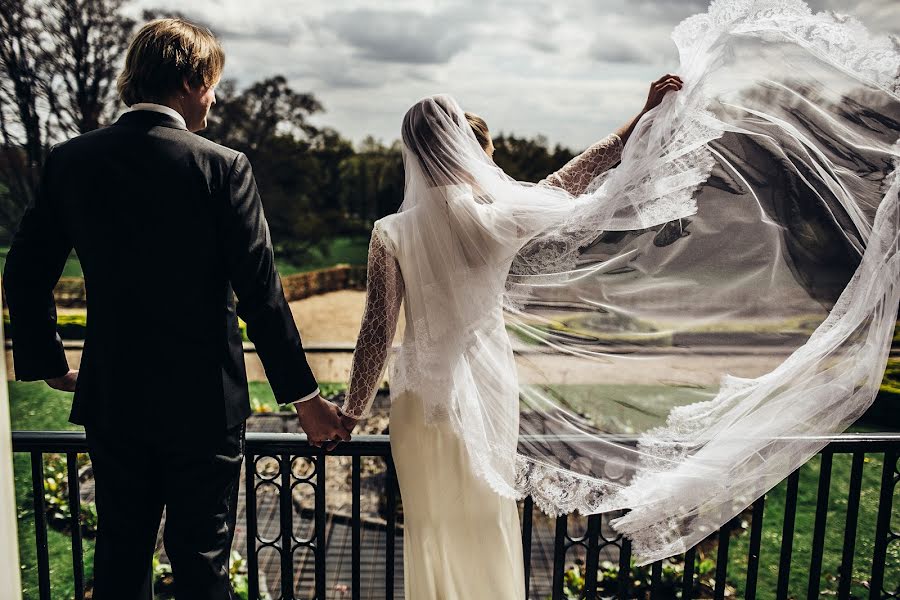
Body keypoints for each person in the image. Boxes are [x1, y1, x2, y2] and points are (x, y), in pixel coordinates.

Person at [3, 18, 349, 599]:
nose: (213, 98)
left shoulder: (71, 161)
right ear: (189, 81)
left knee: (119, 556)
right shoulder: (223, 166)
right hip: (203, 406)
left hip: (113, 399)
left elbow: (24, 271)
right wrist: (307, 401)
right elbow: (261, 296)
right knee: (201, 562)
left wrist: (51, 363)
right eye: (212, 82)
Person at [336, 76, 681, 597]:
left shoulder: (392, 231)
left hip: (420, 398)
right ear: (461, 147)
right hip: (490, 384)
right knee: (488, 514)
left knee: (431, 525)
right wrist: (643, 113)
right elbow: (578, 173)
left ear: (413, 152)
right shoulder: (499, 219)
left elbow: (376, 333)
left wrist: (350, 413)